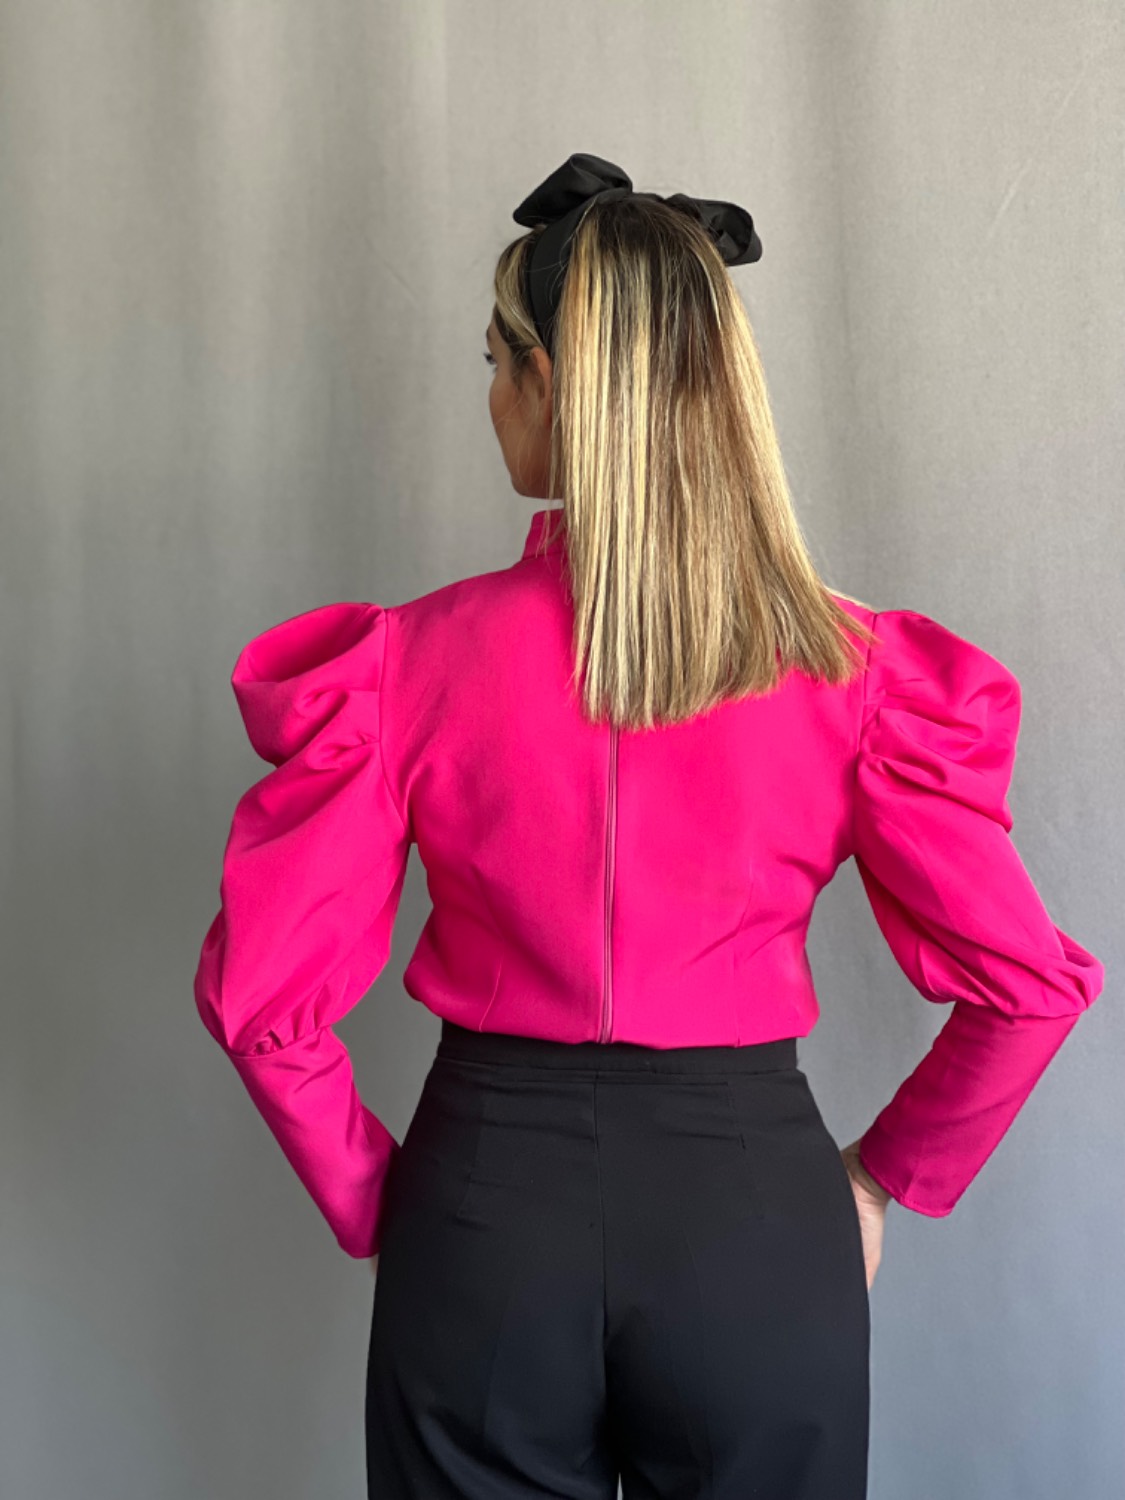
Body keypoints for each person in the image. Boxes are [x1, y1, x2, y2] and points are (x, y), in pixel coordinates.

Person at [193, 153, 1105, 1500]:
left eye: (494, 362)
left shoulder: (405, 665)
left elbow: (264, 1000)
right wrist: (880, 1181)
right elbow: (1025, 989)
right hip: (753, 1223)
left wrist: (381, 1198)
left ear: (550, 383)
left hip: (485, 1209)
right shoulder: (853, 675)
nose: (489, 397)